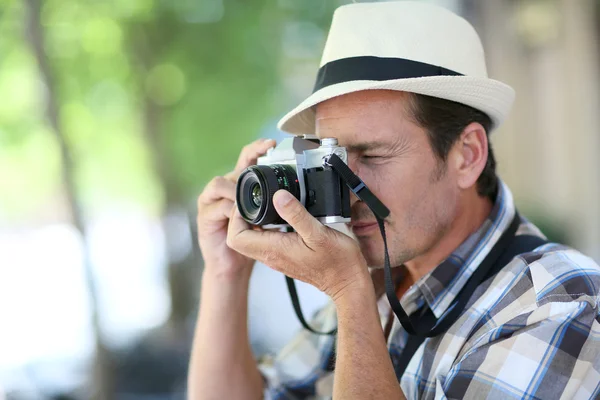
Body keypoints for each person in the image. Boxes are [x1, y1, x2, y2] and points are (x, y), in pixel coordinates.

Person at [188, 2, 600, 399]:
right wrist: (227, 272)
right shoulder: (386, 283)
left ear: (467, 155)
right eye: (330, 160)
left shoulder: (556, 305)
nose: (344, 190)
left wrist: (350, 296)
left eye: (372, 155)